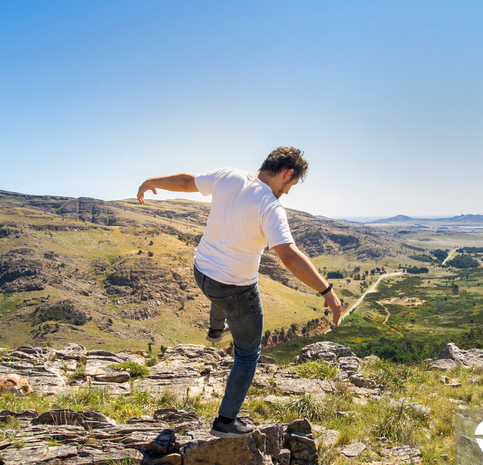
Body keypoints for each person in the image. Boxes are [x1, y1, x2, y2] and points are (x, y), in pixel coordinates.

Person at [137, 146, 342, 438]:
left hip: (201, 271)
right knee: (248, 354)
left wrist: (152, 181)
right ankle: (225, 421)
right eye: (291, 185)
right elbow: (289, 256)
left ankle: (215, 328)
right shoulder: (269, 206)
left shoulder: (227, 176)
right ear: (288, 173)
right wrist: (327, 291)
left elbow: (186, 182)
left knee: (217, 288)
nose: (288, 192)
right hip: (235, 289)